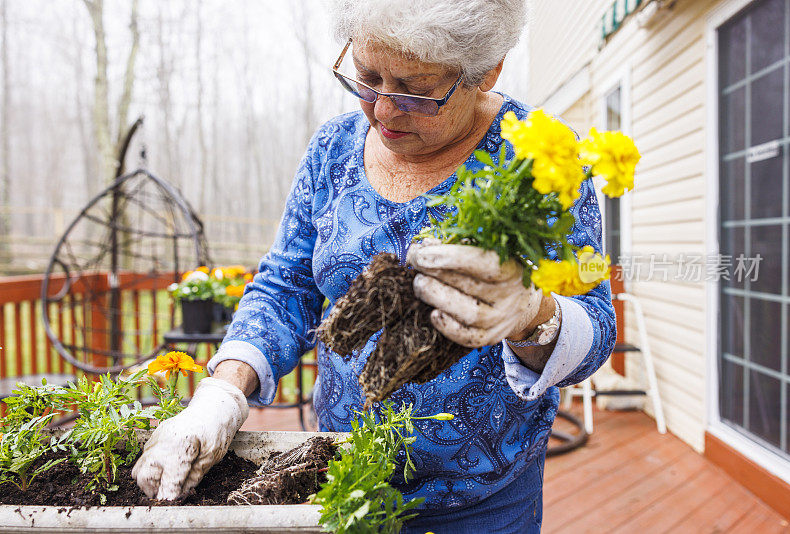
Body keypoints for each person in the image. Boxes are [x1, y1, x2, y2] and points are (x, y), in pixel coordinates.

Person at [132, 1, 616, 531]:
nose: (383, 110)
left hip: (483, 504)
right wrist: (223, 393)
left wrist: (532, 314)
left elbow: (597, 325)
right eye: (366, 79)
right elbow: (284, 286)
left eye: (414, 90)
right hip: (342, 481)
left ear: (487, 71)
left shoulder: (541, 159)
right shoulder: (332, 152)